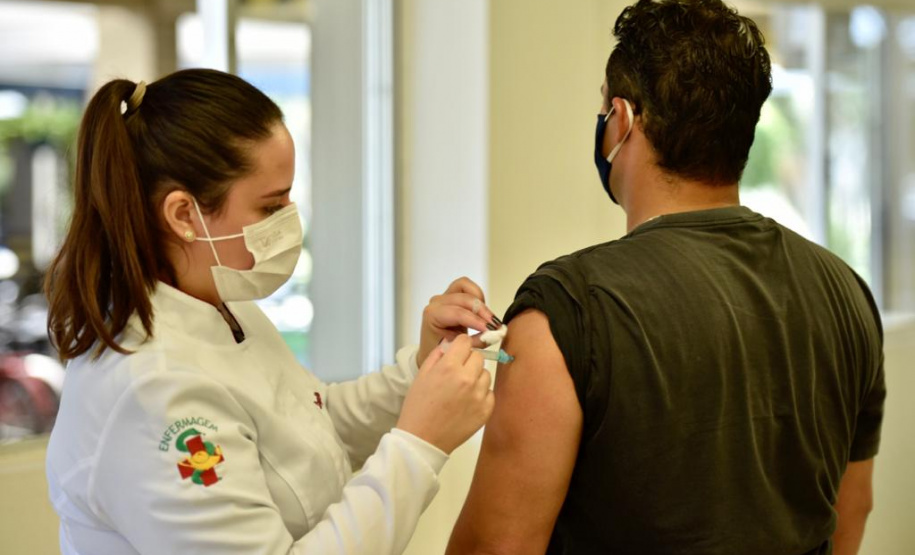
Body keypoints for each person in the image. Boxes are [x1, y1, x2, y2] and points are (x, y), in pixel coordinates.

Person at [447, 1, 885, 554]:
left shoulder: (567, 314)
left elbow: (496, 547)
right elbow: (852, 509)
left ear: (623, 121)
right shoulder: (845, 290)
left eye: (603, 109)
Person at [44, 68, 499, 554]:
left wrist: (424, 372)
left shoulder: (221, 305)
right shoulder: (152, 392)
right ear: (183, 216)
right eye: (269, 207)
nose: (289, 222)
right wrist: (418, 443)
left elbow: (311, 430)